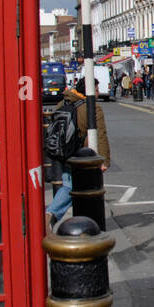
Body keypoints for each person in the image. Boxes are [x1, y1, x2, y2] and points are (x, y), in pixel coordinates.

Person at [45, 85, 110, 230]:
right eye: (97, 88)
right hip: (83, 155)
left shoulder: (63, 103)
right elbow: (100, 135)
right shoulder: (92, 107)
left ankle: (60, 217)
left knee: (69, 184)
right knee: (75, 187)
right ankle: (52, 214)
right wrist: (104, 160)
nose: (98, 91)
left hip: (64, 152)